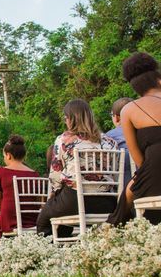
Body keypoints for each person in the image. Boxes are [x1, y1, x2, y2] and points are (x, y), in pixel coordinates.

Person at [37, 100, 118, 237]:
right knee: (58, 215)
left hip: (73, 201)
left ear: (71, 119)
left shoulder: (63, 140)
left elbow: (55, 176)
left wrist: (54, 195)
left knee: (44, 219)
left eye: (65, 118)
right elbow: (114, 176)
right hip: (106, 202)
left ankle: (52, 255)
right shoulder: (109, 142)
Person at [107, 53, 161, 225]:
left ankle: (112, 231)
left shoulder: (129, 110)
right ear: (158, 80)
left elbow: (138, 159)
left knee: (130, 191)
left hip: (154, 173)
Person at [0, 136, 40, 244]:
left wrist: (2, 213)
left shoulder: (1, 172)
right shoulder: (34, 174)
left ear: (8, 155)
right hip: (32, 218)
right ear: (24, 155)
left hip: (10, 217)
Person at [105, 97, 134, 187]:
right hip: (145, 179)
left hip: (121, 185)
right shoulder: (144, 133)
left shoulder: (109, 136)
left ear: (116, 118)